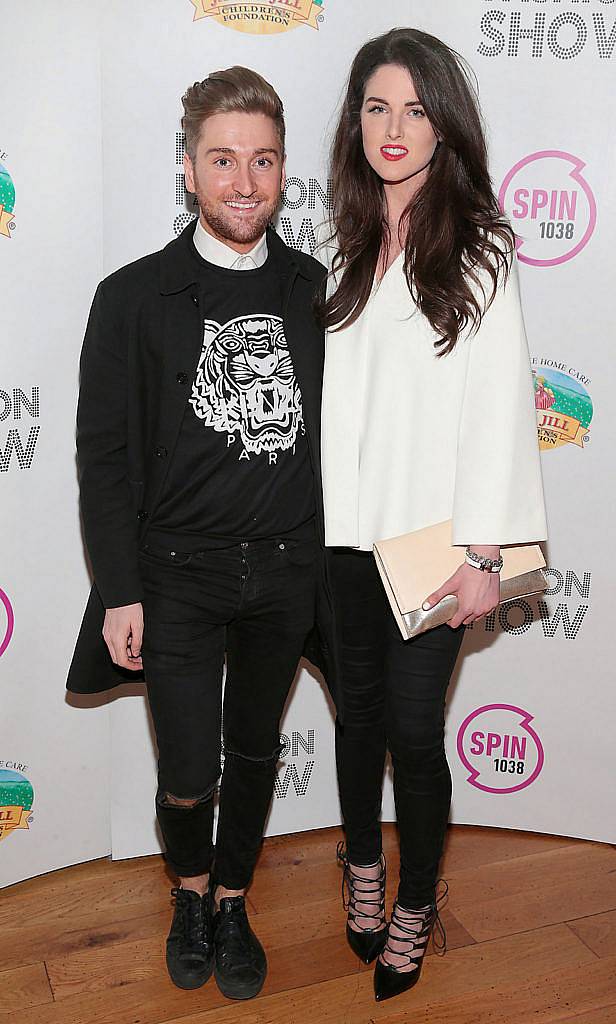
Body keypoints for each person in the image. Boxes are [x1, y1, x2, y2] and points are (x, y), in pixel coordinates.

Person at [67, 66, 329, 1000]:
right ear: (188, 169)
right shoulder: (133, 298)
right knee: (187, 766)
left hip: (288, 571)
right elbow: (102, 456)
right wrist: (121, 587)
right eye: (223, 160)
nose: (244, 182)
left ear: (284, 169)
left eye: (262, 161)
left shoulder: (315, 289)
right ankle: (186, 892)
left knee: (256, 752)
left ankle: (231, 897)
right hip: (175, 575)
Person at [318, 28, 547, 1003]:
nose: (394, 127)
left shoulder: (482, 245)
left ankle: (414, 901)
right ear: (355, 122)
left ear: (444, 122)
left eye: (415, 107)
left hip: (433, 547)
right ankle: (360, 867)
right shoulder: (342, 242)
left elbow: (499, 406)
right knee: (355, 721)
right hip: (337, 538)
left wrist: (484, 555)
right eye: (376, 106)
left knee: (414, 731)